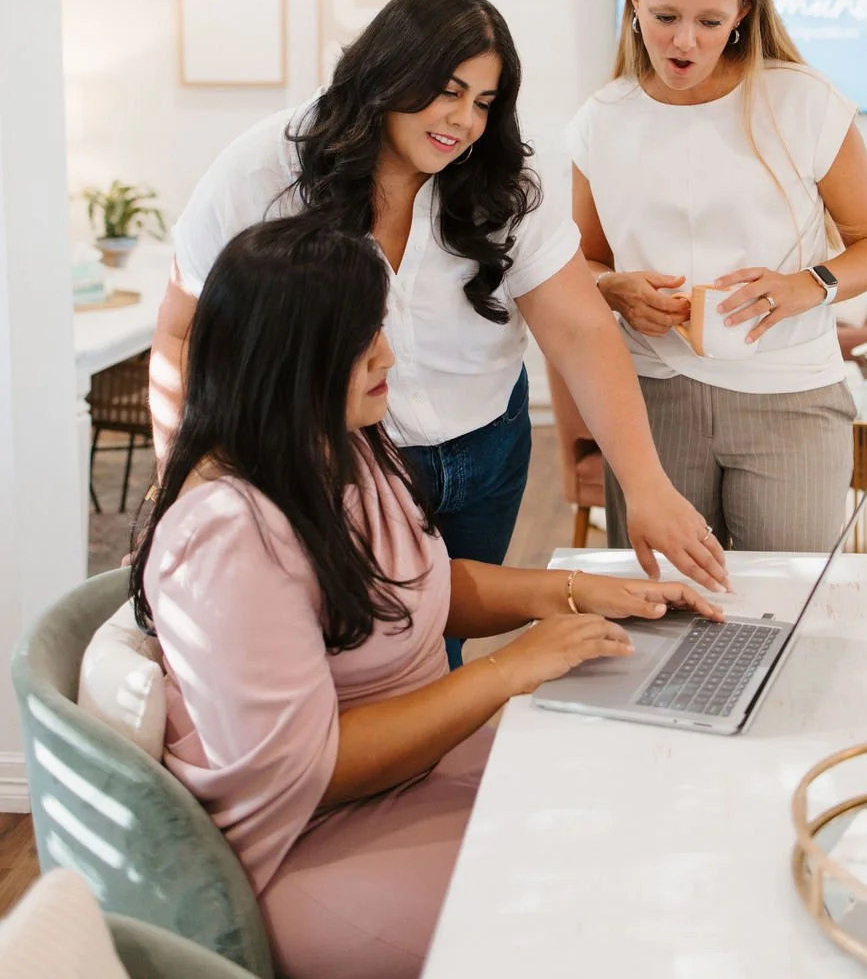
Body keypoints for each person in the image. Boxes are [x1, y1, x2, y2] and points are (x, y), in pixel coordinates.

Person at [129, 218, 722, 979]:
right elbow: (305, 770)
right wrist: (508, 670)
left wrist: (576, 592)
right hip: (310, 843)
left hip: (416, 777)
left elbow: (423, 589)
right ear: (289, 356)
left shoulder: (345, 448)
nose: (388, 355)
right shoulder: (226, 536)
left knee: (647, 803)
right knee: (608, 909)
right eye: (362, 340)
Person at [151, 0, 729, 626]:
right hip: (346, 458)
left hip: (488, 447)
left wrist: (647, 487)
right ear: (388, 71)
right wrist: (186, 493)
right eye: (448, 91)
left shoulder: (506, 179)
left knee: (447, 636)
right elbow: (183, 334)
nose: (464, 121)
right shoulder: (266, 170)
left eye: (483, 102)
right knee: (365, 642)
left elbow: (580, 332)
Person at [569, 0, 867, 554]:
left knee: (788, 596)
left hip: (791, 397)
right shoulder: (600, 120)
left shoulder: (804, 101)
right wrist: (613, 289)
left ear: (743, 13)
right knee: (663, 600)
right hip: (650, 398)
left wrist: (810, 283)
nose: (683, 42)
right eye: (665, 16)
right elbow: (585, 262)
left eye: (709, 21)